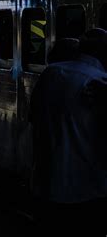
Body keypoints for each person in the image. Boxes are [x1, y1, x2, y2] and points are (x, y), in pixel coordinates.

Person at [30, 29, 107, 235]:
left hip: (48, 183)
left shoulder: (51, 73)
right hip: (90, 188)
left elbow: (33, 117)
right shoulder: (100, 83)